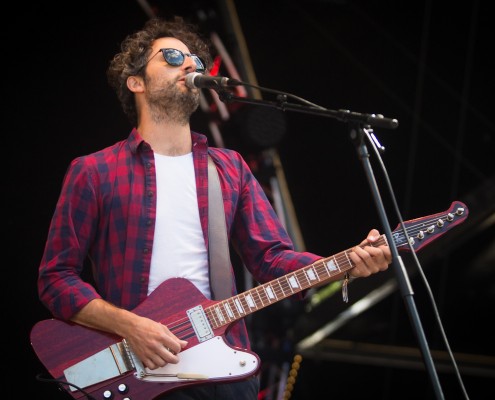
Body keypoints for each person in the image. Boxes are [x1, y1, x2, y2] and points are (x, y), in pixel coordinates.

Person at [37, 16, 391, 399]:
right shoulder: (95, 171)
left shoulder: (228, 168)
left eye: (196, 60)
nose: (190, 65)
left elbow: (273, 259)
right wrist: (131, 326)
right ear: (136, 81)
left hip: (224, 370)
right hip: (138, 372)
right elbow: (56, 280)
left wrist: (345, 265)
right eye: (172, 56)